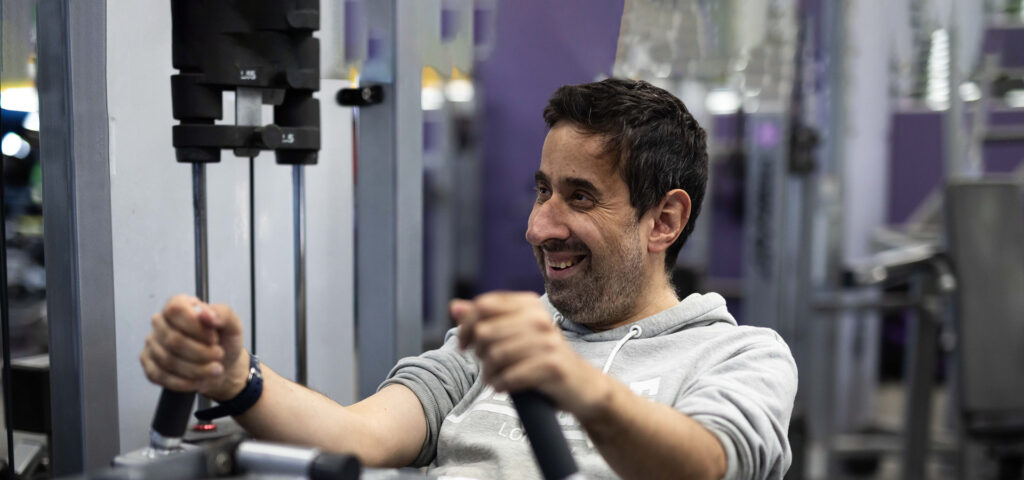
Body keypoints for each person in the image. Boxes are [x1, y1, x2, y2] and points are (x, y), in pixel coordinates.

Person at [140, 78, 797, 480]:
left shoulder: (741, 355)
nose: (541, 226)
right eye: (543, 191)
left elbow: (708, 466)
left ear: (665, 221)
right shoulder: (490, 346)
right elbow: (359, 437)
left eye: (581, 197)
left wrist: (580, 388)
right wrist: (236, 378)